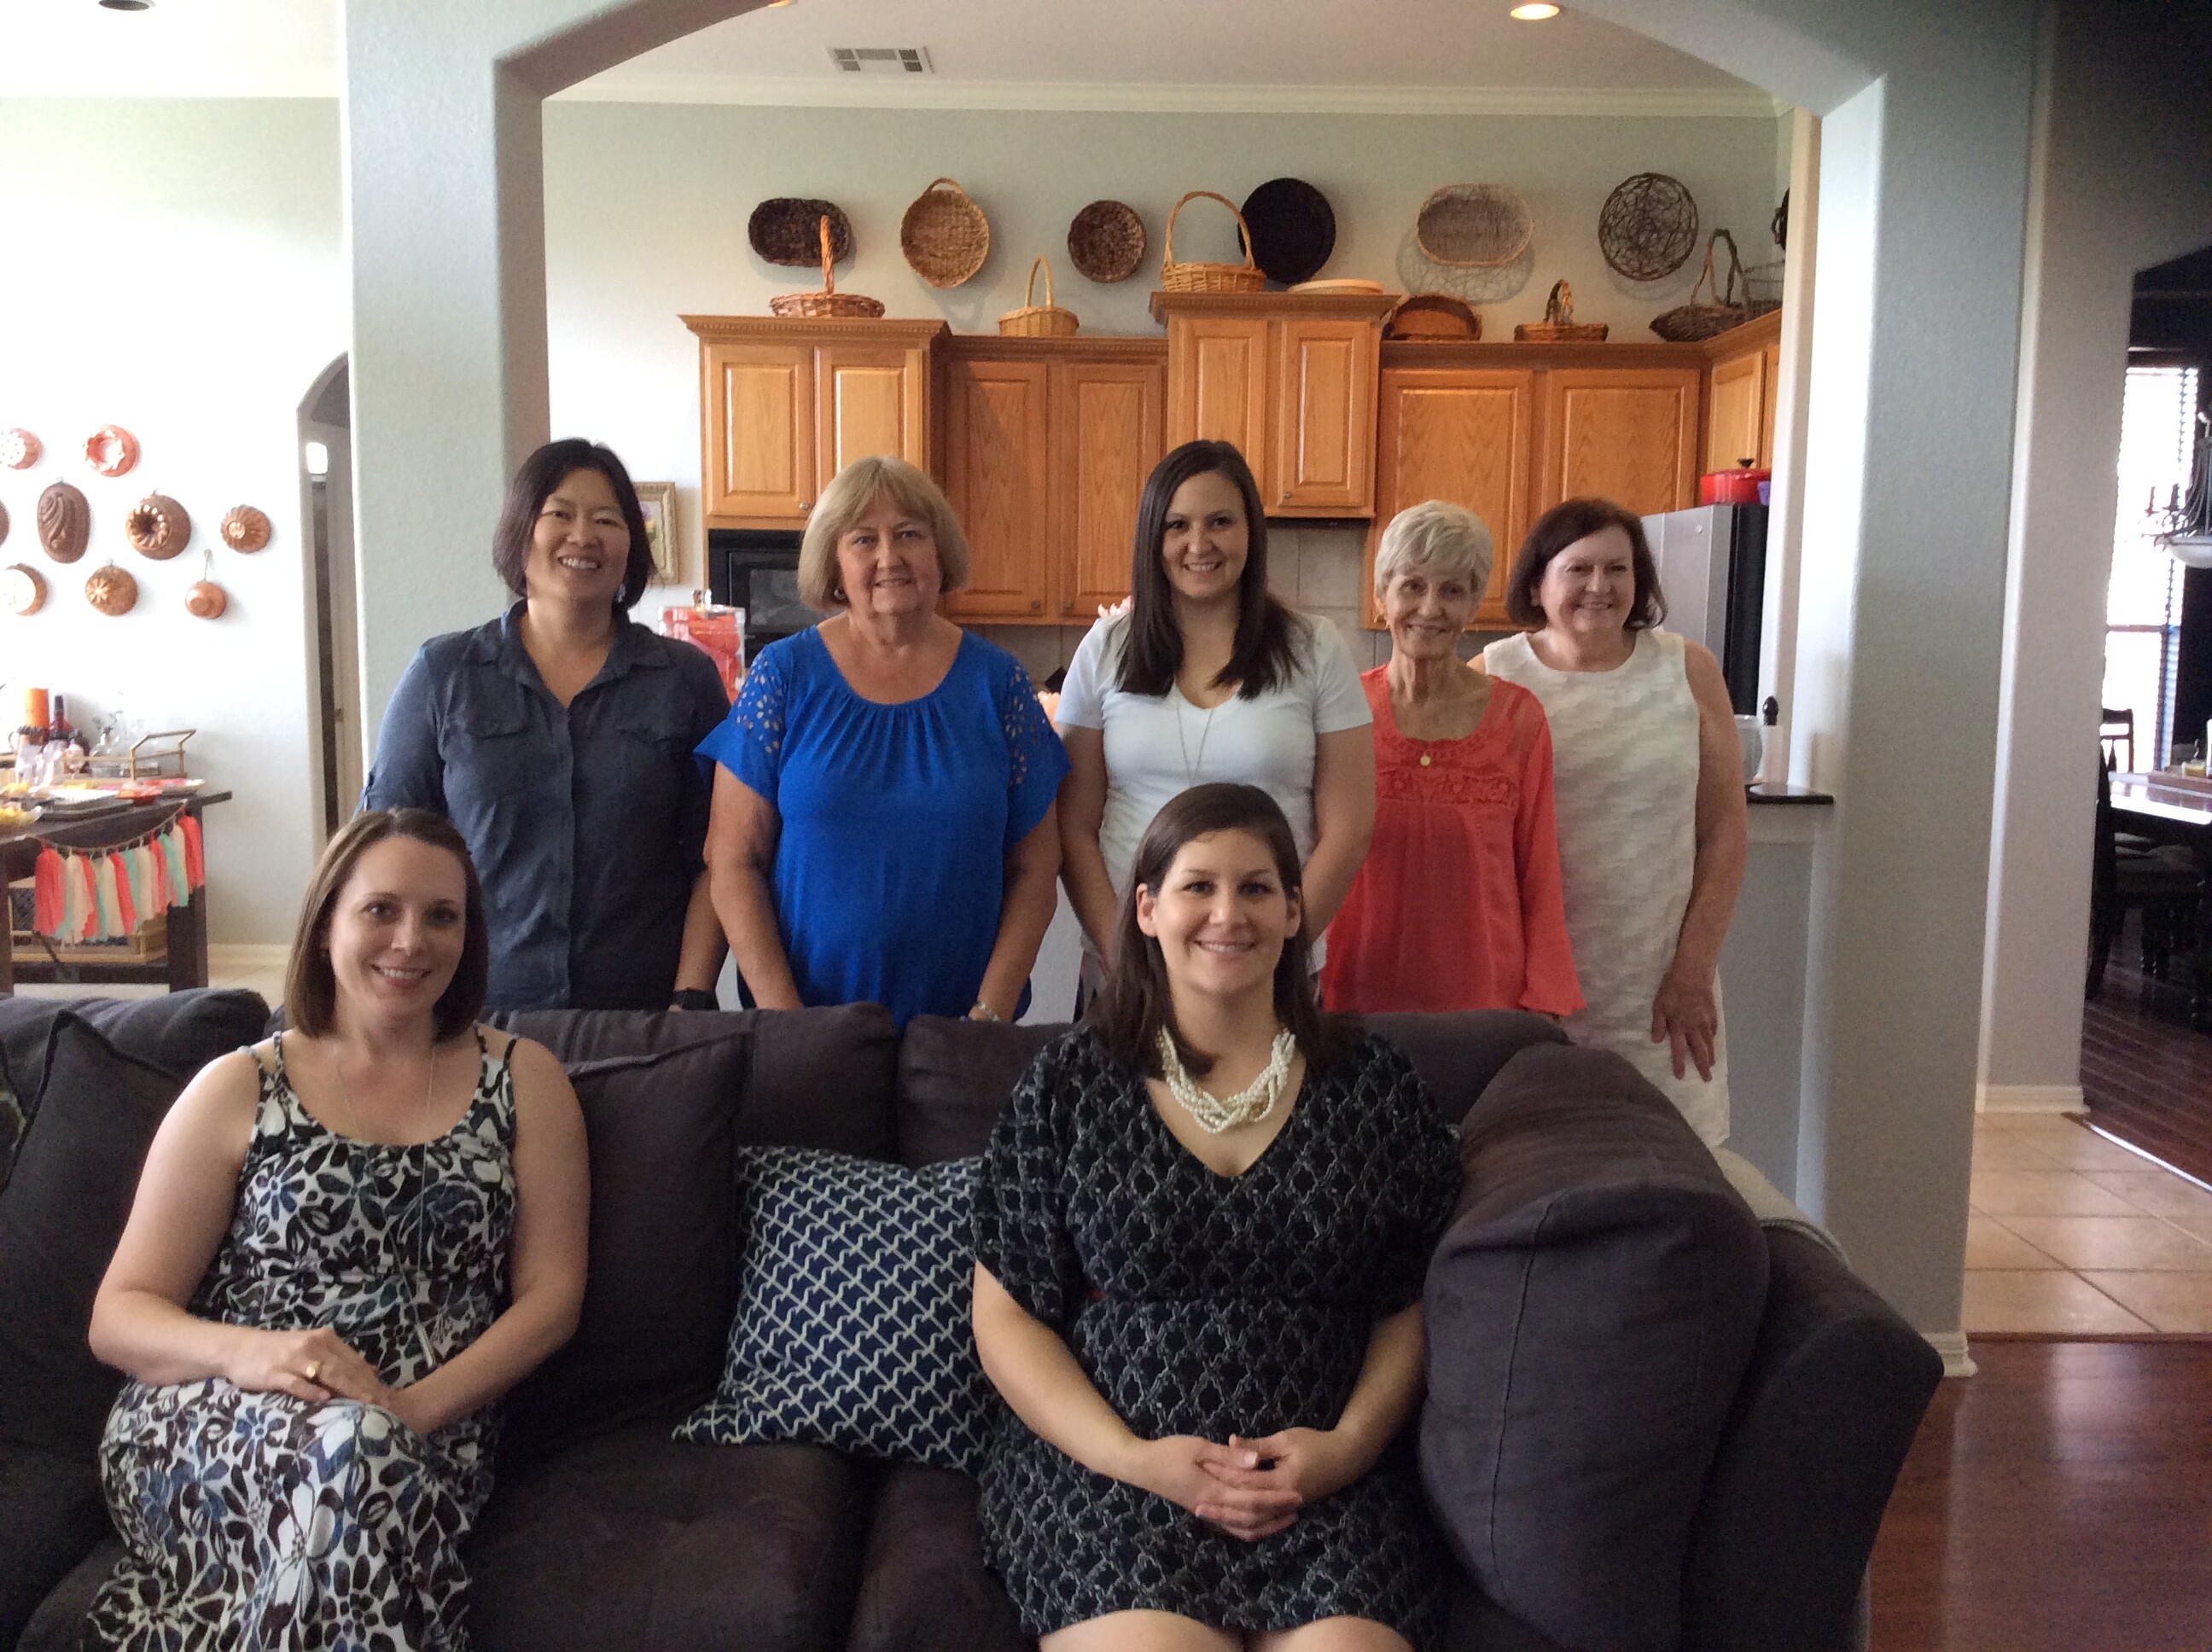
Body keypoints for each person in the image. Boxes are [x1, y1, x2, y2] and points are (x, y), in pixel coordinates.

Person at [971, 783, 1460, 1651]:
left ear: (1294, 910)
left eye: (1256, 887)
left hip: (1327, 1491)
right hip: (1114, 1483)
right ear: (1148, 910)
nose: (1228, 914)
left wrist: (1347, 1448)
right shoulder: (1069, 1084)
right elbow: (1007, 1315)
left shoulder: (1373, 1084)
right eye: (1198, 886)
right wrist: (1133, 1458)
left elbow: (1411, 1300)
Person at [84, 808, 590, 1646]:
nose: (411, 940)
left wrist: (408, 1410)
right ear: (326, 924)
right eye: (380, 909)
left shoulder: (524, 1079)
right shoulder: (239, 1086)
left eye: (442, 916)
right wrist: (254, 1353)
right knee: (356, 1466)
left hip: (426, 1437)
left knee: (359, 1461)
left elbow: (552, 1299)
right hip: (218, 1417)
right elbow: (119, 1315)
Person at [364, 437, 731, 1014]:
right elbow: (385, 847)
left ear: (632, 546)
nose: (583, 535)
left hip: (641, 1017)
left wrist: (690, 997)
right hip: (475, 1011)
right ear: (519, 531)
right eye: (560, 514)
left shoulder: (685, 680)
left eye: (606, 520)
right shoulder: (444, 674)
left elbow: (718, 853)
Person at [699, 454, 1067, 1027]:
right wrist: (789, 1024)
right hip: (808, 1033)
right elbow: (731, 862)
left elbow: (1037, 870)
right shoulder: (782, 676)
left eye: (910, 534)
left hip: (962, 1037)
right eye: (863, 539)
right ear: (834, 563)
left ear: (940, 553)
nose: (889, 557)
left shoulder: (1000, 685)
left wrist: (988, 1017)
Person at [1057, 441, 1375, 996]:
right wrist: (1122, 957)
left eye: (1220, 522)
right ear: (1152, 537)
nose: (1199, 544)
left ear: (1251, 531)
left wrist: (1281, 951)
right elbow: (1074, 825)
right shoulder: (1105, 648)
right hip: (1127, 970)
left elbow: (1348, 830)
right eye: (1177, 525)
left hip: (1268, 965)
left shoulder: (1315, 649)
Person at [1482, 497, 1748, 1146]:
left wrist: (1693, 972)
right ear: (1537, 584)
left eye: (1617, 569)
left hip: (1662, 989)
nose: (1599, 587)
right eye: (1578, 569)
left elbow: (1724, 832)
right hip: (1532, 993)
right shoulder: (1493, 676)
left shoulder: (1688, 669)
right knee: (1540, 1166)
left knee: (1678, 1166)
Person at [1319, 502, 1580, 1017]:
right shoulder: (1340, 711)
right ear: (1382, 596)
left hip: (1485, 1007)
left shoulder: (1518, 719)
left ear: (1474, 603)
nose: (1430, 608)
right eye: (1412, 586)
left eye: (1452, 590)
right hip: (1352, 995)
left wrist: (1544, 1001)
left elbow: (1540, 874)